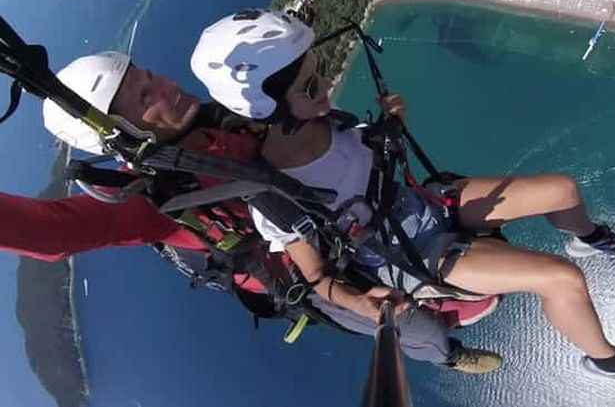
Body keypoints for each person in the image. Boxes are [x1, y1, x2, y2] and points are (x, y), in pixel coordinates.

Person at [191, 9, 615, 388]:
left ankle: (588, 237)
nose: (324, 91)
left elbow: (367, 161)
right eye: (311, 85)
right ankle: (608, 362)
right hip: (407, 253)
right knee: (560, 280)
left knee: (562, 189)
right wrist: (360, 304)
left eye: (320, 75)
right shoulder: (275, 198)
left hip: (424, 206)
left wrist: (390, 126)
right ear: (269, 105)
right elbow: (315, 276)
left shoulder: (331, 122)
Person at [1, 49, 501, 374]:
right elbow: (52, 233)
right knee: (407, 321)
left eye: (150, 74)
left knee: (450, 200)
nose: (166, 87)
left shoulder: (224, 116)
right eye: (144, 97)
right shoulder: (152, 202)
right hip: (309, 273)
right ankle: (449, 354)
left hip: (338, 214)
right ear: (124, 135)